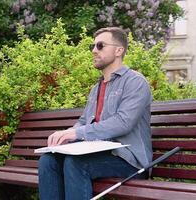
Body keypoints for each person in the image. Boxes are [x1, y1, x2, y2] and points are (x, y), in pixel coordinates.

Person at [38, 27, 153, 200]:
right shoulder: (96, 88)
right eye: (93, 46)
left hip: (130, 161)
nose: (94, 50)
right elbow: (85, 120)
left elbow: (123, 122)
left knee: (76, 163)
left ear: (118, 50)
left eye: (100, 46)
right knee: (48, 160)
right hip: (97, 155)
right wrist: (67, 136)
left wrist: (77, 132)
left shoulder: (135, 82)